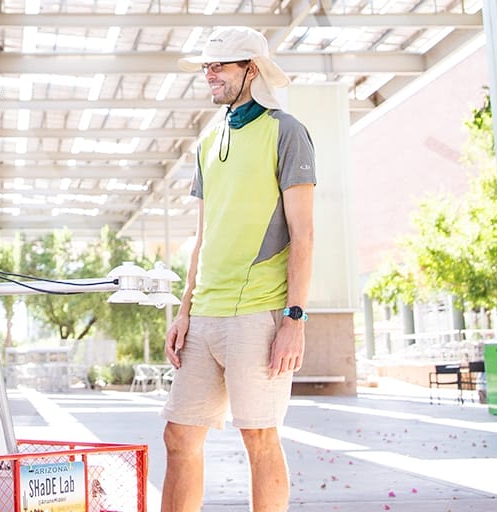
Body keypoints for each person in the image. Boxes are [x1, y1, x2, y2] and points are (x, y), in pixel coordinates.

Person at [161, 27, 316, 512]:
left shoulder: (287, 132)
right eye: (206, 66)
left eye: (219, 66)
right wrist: (184, 310)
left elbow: (304, 234)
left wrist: (294, 319)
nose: (209, 74)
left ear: (251, 69)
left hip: (259, 314)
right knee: (178, 436)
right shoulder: (208, 140)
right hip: (205, 314)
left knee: (259, 438)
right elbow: (202, 235)